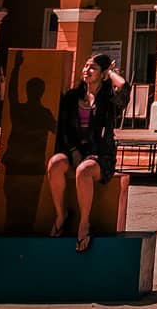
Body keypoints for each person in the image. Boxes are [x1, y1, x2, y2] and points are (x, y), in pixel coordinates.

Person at [46, 53, 127, 254]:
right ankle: (60, 215)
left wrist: (111, 72)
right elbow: (64, 128)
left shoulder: (108, 100)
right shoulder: (73, 97)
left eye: (93, 68)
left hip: (100, 155)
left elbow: (124, 89)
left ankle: (84, 225)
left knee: (84, 170)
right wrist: (72, 151)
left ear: (102, 74)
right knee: (55, 164)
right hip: (73, 150)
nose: (86, 70)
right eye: (85, 66)